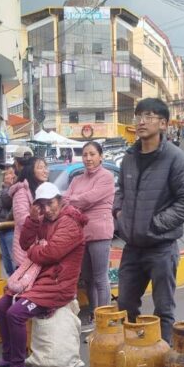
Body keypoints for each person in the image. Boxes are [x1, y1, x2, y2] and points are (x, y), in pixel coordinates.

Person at [113, 98, 184, 343]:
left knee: (163, 310)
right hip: (132, 247)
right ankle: (134, 354)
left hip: (161, 247)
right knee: (126, 304)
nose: (141, 121)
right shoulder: (129, 157)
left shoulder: (174, 157)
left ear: (163, 123)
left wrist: (155, 225)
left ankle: (163, 361)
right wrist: (120, 214)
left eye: (149, 116)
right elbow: (121, 191)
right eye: (138, 116)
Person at [0, 182, 87, 367]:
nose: (47, 209)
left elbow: (50, 253)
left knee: (15, 313)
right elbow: (25, 244)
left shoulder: (69, 222)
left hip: (58, 284)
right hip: (38, 280)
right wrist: (32, 220)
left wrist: (35, 249)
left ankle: (17, 366)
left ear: (59, 201)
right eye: (42, 205)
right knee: (0, 307)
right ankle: (9, 356)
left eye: (51, 203)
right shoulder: (43, 220)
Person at [64, 141, 115, 332]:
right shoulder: (77, 179)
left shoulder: (106, 177)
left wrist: (74, 201)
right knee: (87, 278)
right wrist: (73, 201)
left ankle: (105, 319)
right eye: (85, 155)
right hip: (81, 234)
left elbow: (88, 199)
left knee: (101, 278)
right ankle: (95, 315)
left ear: (100, 156)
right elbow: (65, 202)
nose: (88, 158)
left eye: (92, 154)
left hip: (100, 232)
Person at [8, 157, 48, 282]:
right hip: (27, 250)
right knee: (26, 289)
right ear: (31, 171)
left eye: (45, 167)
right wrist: (45, 217)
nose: (45, 171)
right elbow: (22, 221)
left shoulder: (44, 189)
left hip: (42, 249)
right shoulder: (21, 192)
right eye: (40, 167)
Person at [0, 166, 17, 276]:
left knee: (14, 261)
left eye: (10, 173)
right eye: (6, 174)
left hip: (11, 228)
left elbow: (6, 201)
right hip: (2, 228)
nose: (7, 176)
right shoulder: (5, 189)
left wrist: (8, 186)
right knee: (7, 263)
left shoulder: (11, 189)